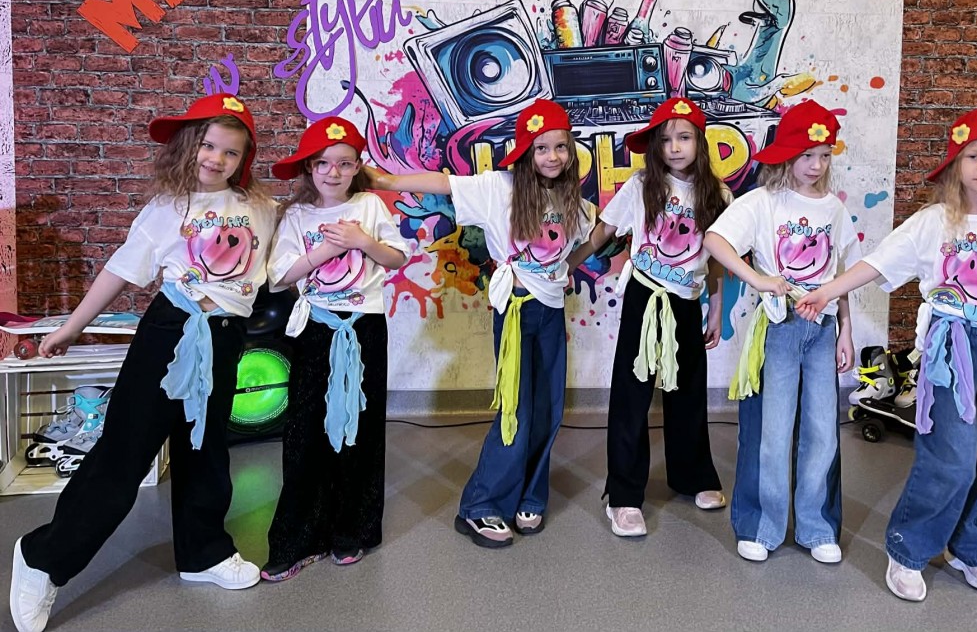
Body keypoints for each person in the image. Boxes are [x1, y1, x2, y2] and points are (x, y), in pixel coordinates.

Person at [11, 94, 277, 632]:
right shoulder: (166, 209)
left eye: (230, 151)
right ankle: (42, 558)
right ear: (190, 145)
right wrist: (71, 327)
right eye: (208, 145)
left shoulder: (263, 208)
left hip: (224, 338)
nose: (217, 159)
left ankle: (203, 552)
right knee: (125, 454)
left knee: (206, 449)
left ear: (244, 158)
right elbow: (119, 272)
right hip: (170, 333)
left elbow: (288, 256)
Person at [796, 108, 977, 601]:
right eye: (973, 156)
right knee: (951, 456)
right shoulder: (933, 222)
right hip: (950, 350)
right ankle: (909, 548)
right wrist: (827, 291)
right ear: (956, 166)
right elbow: (876, 265)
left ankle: (967, 545)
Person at [368, 98, 596, 548]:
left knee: (549, 408)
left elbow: (590, 235)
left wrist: (567, 266)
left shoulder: (571, 198)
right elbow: (444, 182)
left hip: (551, 311)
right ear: (526, 152)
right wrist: (387, 181)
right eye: (542, 148)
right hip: (516, 311)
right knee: (516, 409)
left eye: (560, 147)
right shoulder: (499, 188)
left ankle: (530, 494)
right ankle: (481, 504)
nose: (553, 157)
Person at [704, 99, 860, 565]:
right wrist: (757, 278)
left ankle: (817, 526)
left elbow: (842, 274)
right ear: (787, 154)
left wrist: (846, 331)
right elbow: (715, 240)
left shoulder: (834, 209)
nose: (816, 165)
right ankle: (761, 524)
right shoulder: (762, 202)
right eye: (807, 155)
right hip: (779, 328)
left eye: (824, 156)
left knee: (822, 431)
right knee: (770, 432)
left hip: (822, 330)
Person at [260, 117, 410, 581]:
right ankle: (297, 540)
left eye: (344, 164)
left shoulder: (369, 206)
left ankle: (352, 531)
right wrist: (322, 253)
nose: (333, 172)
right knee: (304, 432)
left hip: (364, 329)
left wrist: (364, 242)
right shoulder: (297, 217)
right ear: (309, 167)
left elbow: (397, 257)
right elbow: (277, 276)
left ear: (357, 167)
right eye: (323, 163)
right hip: (316, 330)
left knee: (361, 429)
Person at [588, 97, 730, 537]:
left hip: (686, 303)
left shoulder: (718, 195)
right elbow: (604, 231)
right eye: (666, 140)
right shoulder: (641, 185)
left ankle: (693, 476)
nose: (675, 147)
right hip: (644, 298)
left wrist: (716, 310)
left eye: (684, 138)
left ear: (699, 142)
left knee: (688, 391)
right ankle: (624, 495)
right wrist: (565, 262)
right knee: (632, 395)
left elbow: (717, 259)